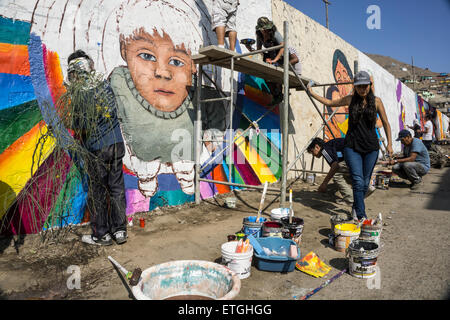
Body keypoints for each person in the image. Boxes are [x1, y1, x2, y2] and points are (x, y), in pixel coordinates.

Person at [307, 70, 393, 221]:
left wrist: (390, 145)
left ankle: (355, 207)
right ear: (355, 87)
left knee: (365, 183)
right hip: (352, 147)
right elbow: (330, 102)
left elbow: (386, 123)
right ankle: (361, 215)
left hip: (371, 148)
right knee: (358, 181)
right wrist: (312, 93)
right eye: (359, 86)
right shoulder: (350, 99)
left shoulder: (377, 101)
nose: (362, 89)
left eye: (365, 86)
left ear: (369, 85)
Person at [65, 50, 128, 245]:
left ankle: (102, 234)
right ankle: (120, 231)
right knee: (116, 188)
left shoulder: (81, 92)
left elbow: (80, 125)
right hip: (116, 143)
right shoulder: (104, 84)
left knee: (98, 191)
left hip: (98, 148)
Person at [244, 17, 302, 105]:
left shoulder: (275, 34)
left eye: (267, 29)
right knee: (267, 76)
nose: (266, 31)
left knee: (277, 74)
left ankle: (279, 92)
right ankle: (276, 95)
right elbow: (259, 51)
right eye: (264, 29)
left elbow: (283, 47)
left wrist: (276, 60)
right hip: (273, 56)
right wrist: (250, 49)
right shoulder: (259, 36)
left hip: (283, 57)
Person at [307, 137, 353, 205]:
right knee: (344, 174)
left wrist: (324, 184)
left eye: (312, 152)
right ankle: (365, 188)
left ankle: (350, 199)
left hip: (352, 155)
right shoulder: (330, 146)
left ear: (317, 147)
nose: (313, 155)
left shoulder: (324, 150)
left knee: (336, 175)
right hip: (358, 153)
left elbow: (335, 166)